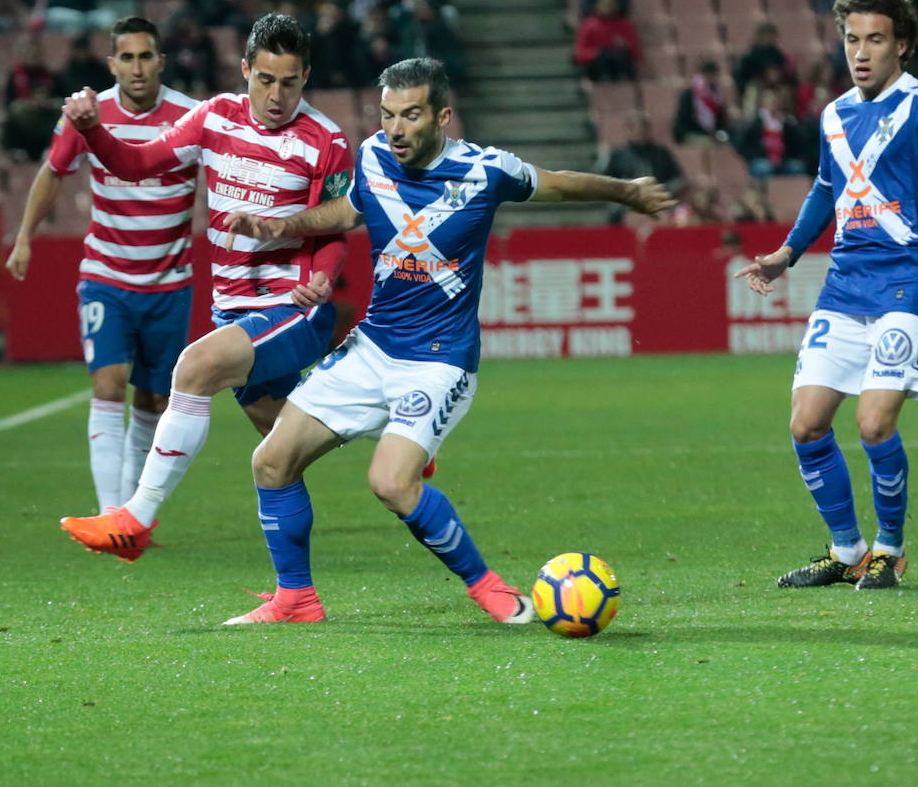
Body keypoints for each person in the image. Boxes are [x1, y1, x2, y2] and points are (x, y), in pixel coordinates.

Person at [209, 57, 673, 625]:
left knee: (390, 482)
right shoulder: (373, 154)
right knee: (272, 460)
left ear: (442, 116)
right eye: (387, 115)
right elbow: (351, 207)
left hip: (438, 361)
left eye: (409, 116)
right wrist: (284, 225)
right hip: (373, 347)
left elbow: (556, 185)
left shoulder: (486, 170)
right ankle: (296, 600)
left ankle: (488, 588)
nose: (395, 129)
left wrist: (626, 192)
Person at [55, 14, 354, 562]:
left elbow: (334, 233)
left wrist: (321, 277)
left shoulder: (326, 140)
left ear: (305, 77)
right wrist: (93, 128)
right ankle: (393, 424)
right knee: (284, 448)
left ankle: (134, 519)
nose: (275, 95)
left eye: (289, 82)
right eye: (265, 79)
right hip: (234, 312)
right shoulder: (214, 117)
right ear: (245, 70)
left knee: (192, 370)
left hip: (293, 308)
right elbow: (138, 164)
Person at [734, 0, 918, 591]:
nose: (860, 51)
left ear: (902, 44)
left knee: (875, 423)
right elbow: (828, 190)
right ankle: (846, 548)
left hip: (909, 282)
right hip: (846, 285)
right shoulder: (834, 114)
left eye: (875, 39)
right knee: (806, 423)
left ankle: (890, 548)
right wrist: (787, 253)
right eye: (852, 39)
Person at [6, 17, 201, 515]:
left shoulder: (191, 116)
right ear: (112, 63)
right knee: (108, 383)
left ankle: (133, 512)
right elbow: (53, 173)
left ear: (161, 61)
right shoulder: (89, 114)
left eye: (146, 57)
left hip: (169, 284)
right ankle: (110, 514)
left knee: (154, 402)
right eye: (127, 58)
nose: (137, 68)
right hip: (107, 277)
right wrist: (25, 237)